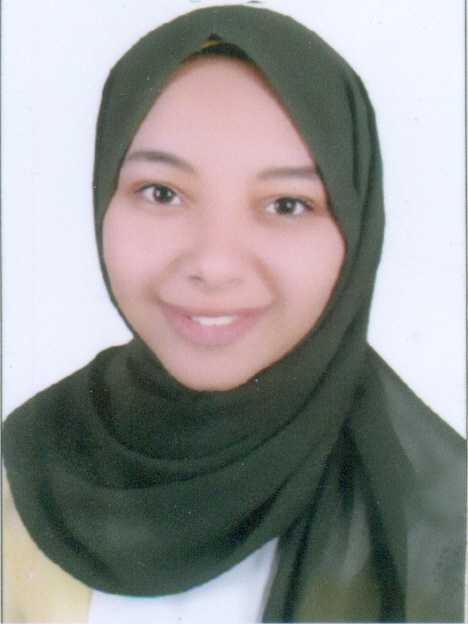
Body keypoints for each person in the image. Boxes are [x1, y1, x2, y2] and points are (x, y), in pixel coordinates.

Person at [3, 5, 465, 623]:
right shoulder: (22, 476)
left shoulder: (445, 527)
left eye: (286, 204)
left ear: (356, 227)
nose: (214, 264)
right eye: (161, 193)